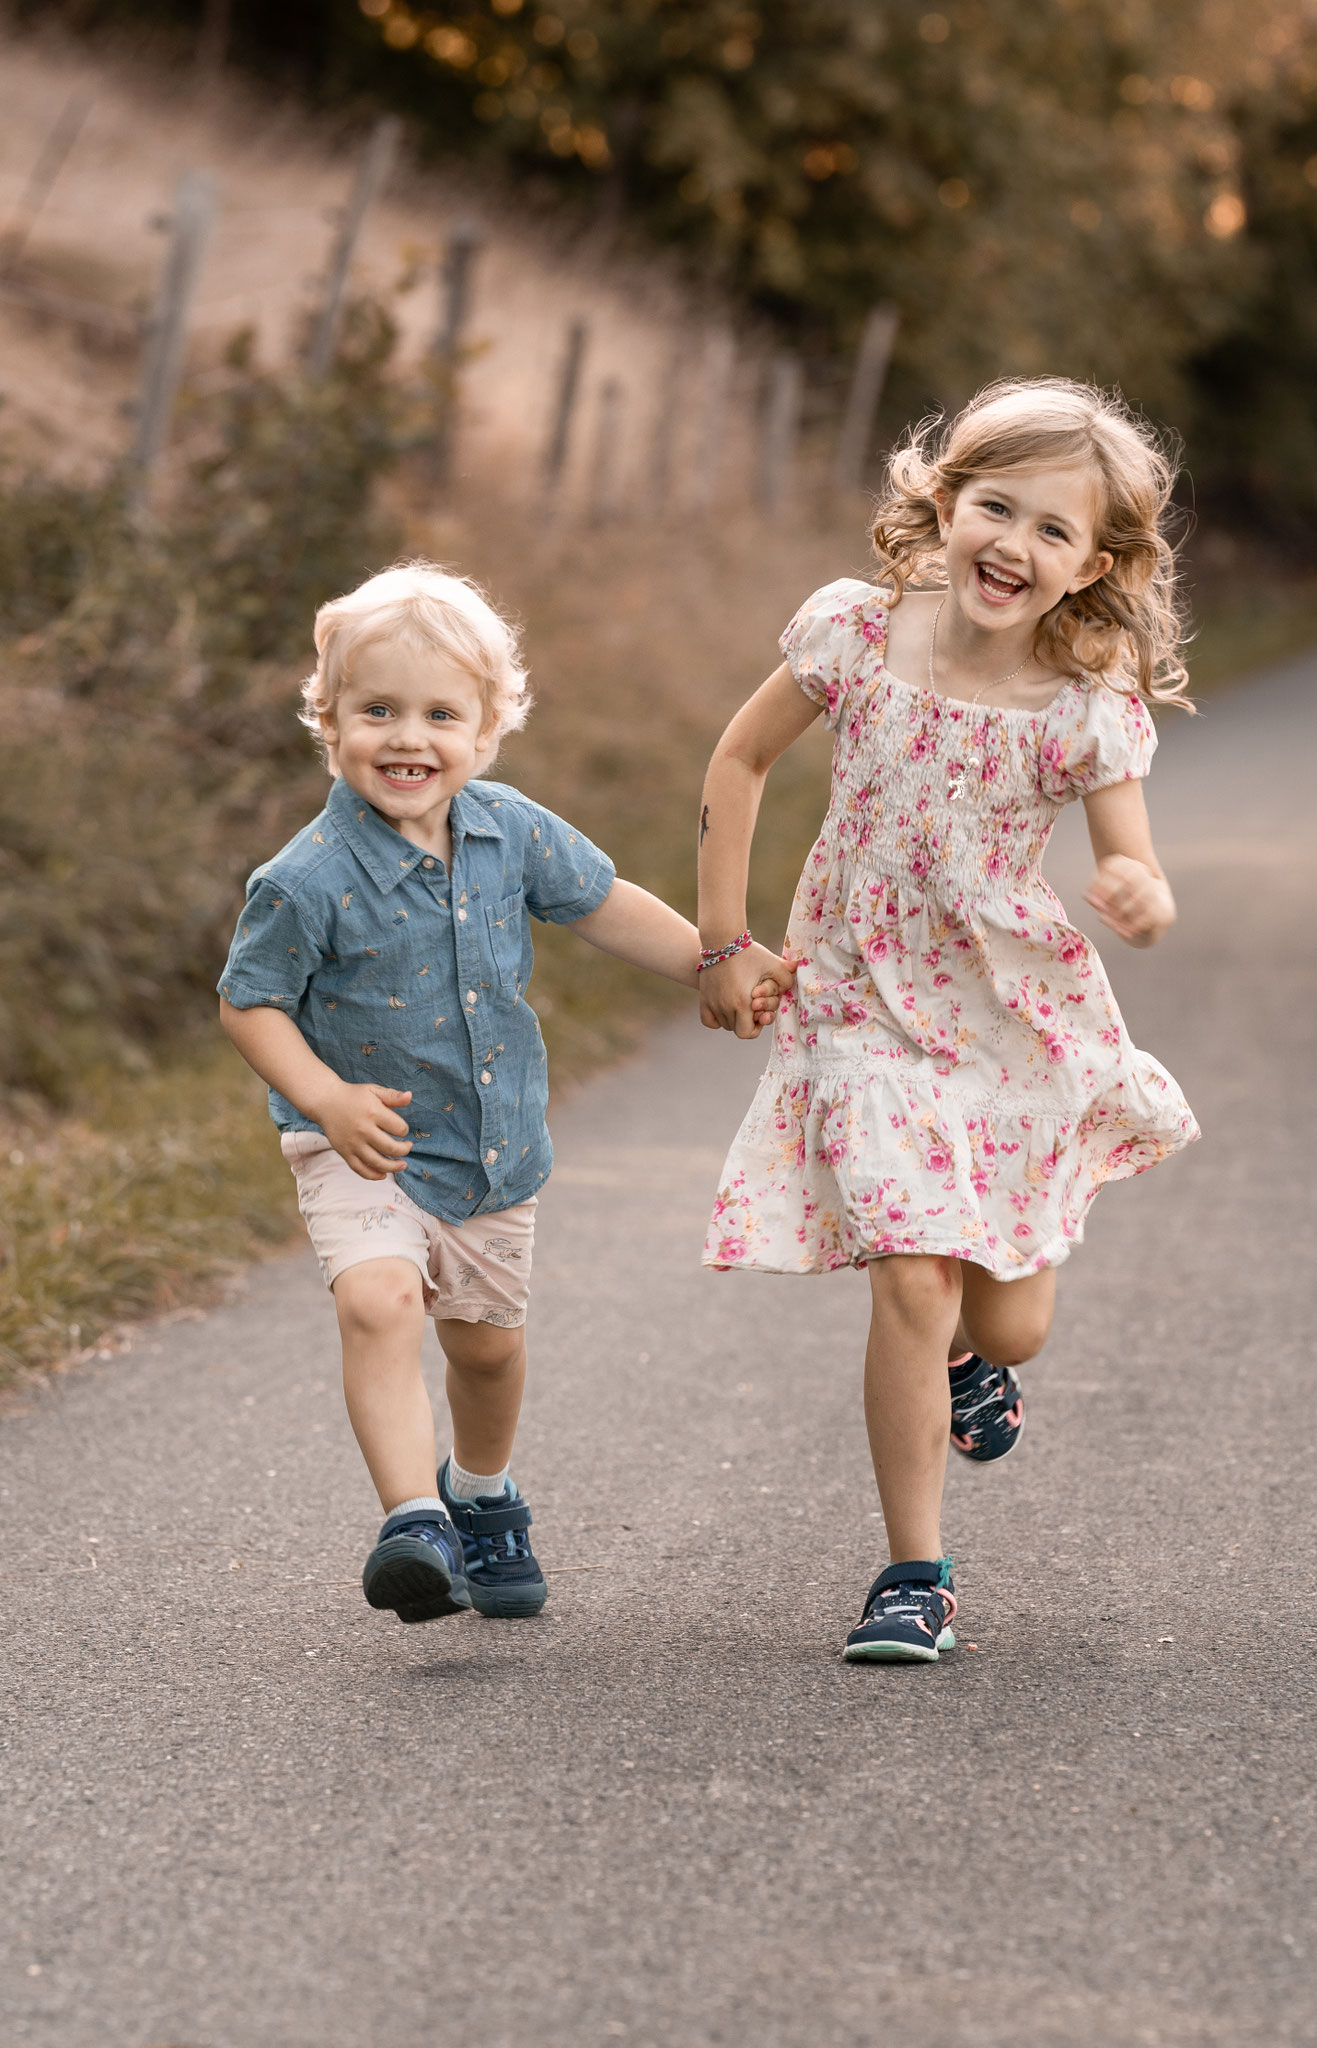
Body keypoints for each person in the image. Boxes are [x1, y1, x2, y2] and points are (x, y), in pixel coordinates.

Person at [695, 377, 1199, 1663]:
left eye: (1051, 531)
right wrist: (727, 941)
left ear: (1096, 563)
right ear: (942, 502)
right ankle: (914, 1571)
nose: (1012, 546)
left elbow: (1127, 853)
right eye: (994, 507)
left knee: (1009, 1319)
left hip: (1006, 1018)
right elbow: (740, 761)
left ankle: (988, 1362)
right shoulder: (855, 636)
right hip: (859, 998)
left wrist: (1135, 889)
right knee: (912, 1271)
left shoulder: (1085, 705)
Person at [219, 562, 783, 1627]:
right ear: (328, 718)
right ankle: (413, 1520)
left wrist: (714, 960)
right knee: (378, 1302)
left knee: (485, 1345)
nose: (407, 737)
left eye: (440, 713)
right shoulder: (304, 877)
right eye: (376, 709)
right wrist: (325, 1097)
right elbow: (249, 1004)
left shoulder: (511, 829)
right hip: (360, 1144)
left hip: (490, 1150)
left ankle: (482, 1493)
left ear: (486, 729)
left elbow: (606, 904)